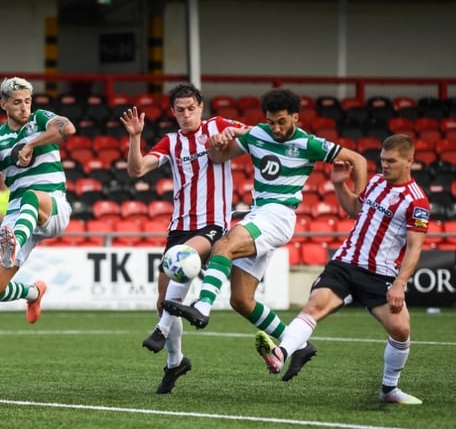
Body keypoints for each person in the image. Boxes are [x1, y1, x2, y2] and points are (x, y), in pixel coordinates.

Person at [162, 88, 368, 381]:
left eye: (282, 121)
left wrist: (358, 203)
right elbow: (219, 158)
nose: (276, 128)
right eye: (271, 121)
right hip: (258, 214)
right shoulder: (257, 134)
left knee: (224, 244)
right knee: (241, 300)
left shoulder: (308, 143)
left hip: (280, 215)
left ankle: (202, 306)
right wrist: (218, 143)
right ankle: (298, 346)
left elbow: (358, 160)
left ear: (295, 117)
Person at [255, 134, 427, 404]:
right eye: (382, 160)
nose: (385, 166)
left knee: (401, 330)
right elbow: (354, 210)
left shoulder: (417, 201)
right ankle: (280, 354)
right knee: (314, 306)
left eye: (391, 161)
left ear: (409, 161)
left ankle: (389, 389)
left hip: (379, 274)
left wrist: (399, 284)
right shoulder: (375, 182)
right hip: (345, 263)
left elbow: (415, 249)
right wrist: (339, 185)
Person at [120, 83, 249, 394]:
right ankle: (175, 362)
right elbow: (136, 170)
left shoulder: (217, 126)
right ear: (173, 112)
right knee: (163, 301)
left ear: (201, 107)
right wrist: (135, 136)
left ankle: (161, 330)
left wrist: (230, 135)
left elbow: (255, 134)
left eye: (192, 108)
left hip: (213, 224)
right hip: (179, 227)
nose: (187, 114)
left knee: (185, 261)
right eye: (180, 110)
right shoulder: (171, 142)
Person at [0, 77, 75, 324]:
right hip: (18, 213)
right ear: (3, 105)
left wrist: (31, 143)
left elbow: (67, 129)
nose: (24, 107)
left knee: (31, 195)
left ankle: (15, 245)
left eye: (27, 101)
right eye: (17, 102)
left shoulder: (40, 119)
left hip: (51, 205)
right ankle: (33, 292)